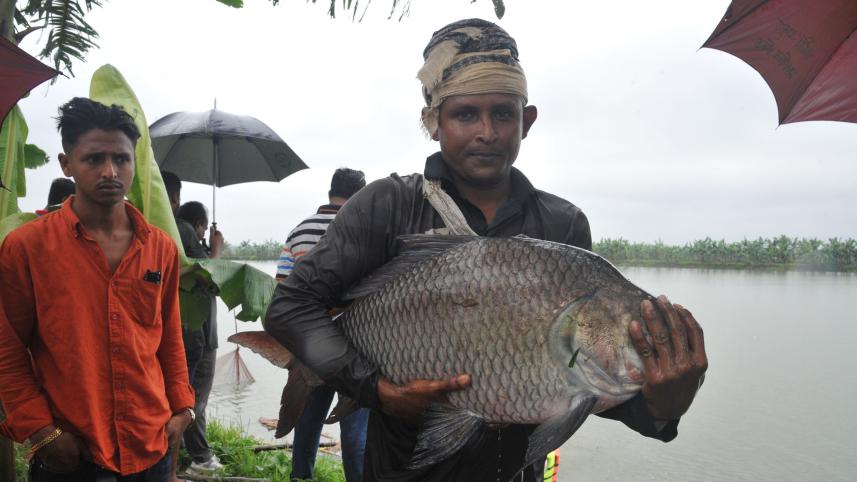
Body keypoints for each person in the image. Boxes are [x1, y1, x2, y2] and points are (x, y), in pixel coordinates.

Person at [264, 19, 708, 482]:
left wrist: (664, 403)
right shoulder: (388, 205)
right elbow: (290, 308)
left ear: (526, 120)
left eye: (502, 114)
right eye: (465, 115)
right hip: (399, 471)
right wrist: (377, 391)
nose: (487, 132)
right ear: (432, 122)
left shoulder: (562, 226)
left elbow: (578, 382)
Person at [0, 97, 195, 481]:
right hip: (71, 453)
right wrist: (41, 430)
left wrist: (183, 410)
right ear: (66, 164)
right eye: (93, 159)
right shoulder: (27, 248)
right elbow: (7, 350)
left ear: (134, 162)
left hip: (151, 445)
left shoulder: (160, 247)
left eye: (121, 159)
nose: (110, 171)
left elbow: (169, 338)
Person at [275, 167, 370, 482]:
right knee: (355, 430)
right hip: (358, 347)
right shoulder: (366, 229)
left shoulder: (299, 231)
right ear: (360, 195)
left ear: (331, 192)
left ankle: (301, 477)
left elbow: (282, 290)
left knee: (307, 422)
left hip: (310, 345)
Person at [161, 171, 225, 476]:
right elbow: (210, 278)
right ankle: (196, 457)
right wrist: (216, 249)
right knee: (194, 396)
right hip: (195, 332)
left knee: (186, 394)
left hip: (184, 329)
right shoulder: (184, 230)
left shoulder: (165, 229)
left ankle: (191, 453)